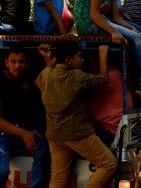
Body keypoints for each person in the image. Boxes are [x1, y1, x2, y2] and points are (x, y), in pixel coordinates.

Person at [36, 43, 117, 188]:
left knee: (58, 178)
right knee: (109, 164)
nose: (83, 60)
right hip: (78, 134)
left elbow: (42, 77)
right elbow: (103, 81)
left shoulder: (45, 75)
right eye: (79, 57)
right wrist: (103, 55)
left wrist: (53, 58)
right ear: (68, 60)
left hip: (55, 135)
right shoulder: (77, 77)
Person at [0, 47, 50, 188]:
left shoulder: (29, 77)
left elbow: (49, 81)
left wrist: (46, 57)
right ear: (6, 62)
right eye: (13, 61)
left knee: (44, 150)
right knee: (0, 173)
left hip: (24, 128)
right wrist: (24, 133)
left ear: (26, 63)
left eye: (21, 62)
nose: (17, 65)